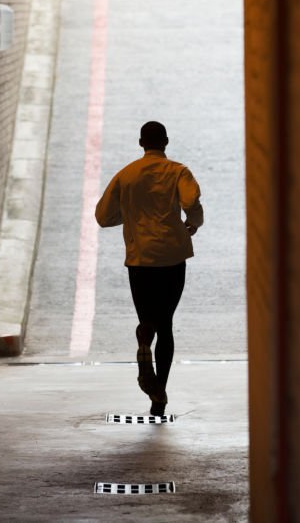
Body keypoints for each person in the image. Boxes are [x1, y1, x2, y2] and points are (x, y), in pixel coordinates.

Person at [95, 121, 204, 416]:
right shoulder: (178, 171)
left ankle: (145, 337)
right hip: (172, 257)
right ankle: (159, 398)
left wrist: (130, 217)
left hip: (139, 260)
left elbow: (102, 217)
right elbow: (191, 199)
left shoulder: (126, 175)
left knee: (149, 320)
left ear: (140, 142)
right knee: (166, 323)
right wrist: (193, 222)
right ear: (166, 141)